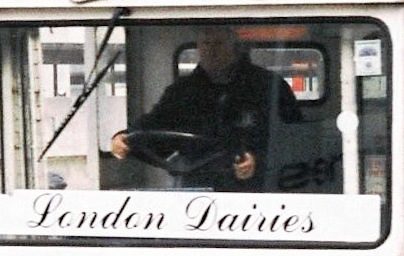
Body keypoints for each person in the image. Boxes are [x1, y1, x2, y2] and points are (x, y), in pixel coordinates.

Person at [111, 26, 300, 190]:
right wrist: (125, 137)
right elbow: (154, 123)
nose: (211, 51)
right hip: (193, 185)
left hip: (256, 191)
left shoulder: (268, 86)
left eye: (218, 44)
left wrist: (257, 160)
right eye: (205, 44)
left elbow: (295, 139)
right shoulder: (182, 90)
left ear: (235, 47)